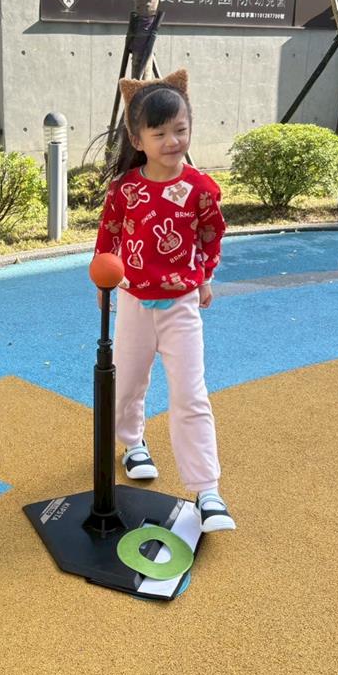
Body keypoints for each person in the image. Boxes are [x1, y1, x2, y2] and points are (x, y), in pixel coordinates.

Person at [93, 69, 235, 533]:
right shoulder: (125, 189)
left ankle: (207, 490)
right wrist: (102, 285)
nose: (173, 141)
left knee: (190, 394)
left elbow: (212, 234)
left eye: (180, 129)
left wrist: (205, 276)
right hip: (133, 302)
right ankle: (132, 443)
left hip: (181, 306)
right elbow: (109, 237)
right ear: (138, 139)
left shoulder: (200, 188)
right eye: (160, 133)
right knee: (127, 383)